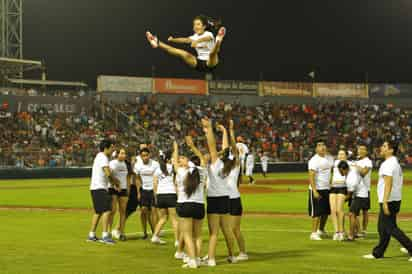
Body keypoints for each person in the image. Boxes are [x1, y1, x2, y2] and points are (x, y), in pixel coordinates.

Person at [363, 141, 412, 261]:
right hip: (394, 199)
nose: (381, 148)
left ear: (390, 150)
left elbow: (388, 183)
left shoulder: (388, 164)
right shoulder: (394, 162)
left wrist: (384, 202)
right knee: (382, 227)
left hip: (389, 200)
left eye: (384, 146)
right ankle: (378, 252)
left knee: (391, 228)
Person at [201, 118, 237, 266]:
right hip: (225, 198)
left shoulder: (216, 163)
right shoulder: (229, 165)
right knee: (227, 230)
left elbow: (211, 145)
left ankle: (211, 259)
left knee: (214, 232)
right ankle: (232, 256)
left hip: (214, 199)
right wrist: (224, 132)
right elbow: (226, 148)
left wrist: (209, 129)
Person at [146, 15, 226, 73]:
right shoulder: (194, 36)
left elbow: (206, 39)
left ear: (204, 26)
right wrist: (173, 39)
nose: (195, 26)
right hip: (199, 63)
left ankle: (219, 39)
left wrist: (197, 42)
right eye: (194, 24)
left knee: (212, 53)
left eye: (198, 24)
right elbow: (185, 40)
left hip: (212, 63)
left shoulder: (208, 34)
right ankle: (157, 42)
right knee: (182, 53)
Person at [173, 138, 207, 268]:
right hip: (199, 205)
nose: (181, 160)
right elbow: (202, 159)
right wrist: (193, 146)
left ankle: (192, 260)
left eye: (184, 158)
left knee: (187, 235)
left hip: (185, 205)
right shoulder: (201, 171)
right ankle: (197, 258)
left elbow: (175, 163)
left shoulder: (182, 172)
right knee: (198, 235)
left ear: (188, 162)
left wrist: (176, 148)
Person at [87, 139, 119, 244]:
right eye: (112, 147)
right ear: (106, 148)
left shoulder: (100, 156)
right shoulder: (103, 157)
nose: (113, 150)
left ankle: (91, 235)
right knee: (107, 210)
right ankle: (105, 235)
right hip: (99, 187)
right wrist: (115, 182)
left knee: (98, 211)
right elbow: (108, 173)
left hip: (95, 187)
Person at [226, 120, 248, 261]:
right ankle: (225, 254)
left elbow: (233, 146)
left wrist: (231, 131)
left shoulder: (236, 163)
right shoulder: (225, 164)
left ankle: (243, 253)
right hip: (224, 198)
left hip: (233, 198)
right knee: (222, 229)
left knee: (234, 229)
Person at [151, 150, 178, 245]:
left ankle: (155, 236)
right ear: (169, 159)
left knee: (163, 218)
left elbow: (155, 185)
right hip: (170, 194)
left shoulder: (157, 170)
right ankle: (177, 241)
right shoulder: (174, 168)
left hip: (160, 195)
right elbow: (176, 183)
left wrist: (156, 197)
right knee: (174, 219)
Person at [308, 140, 333, 241]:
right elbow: (311, 176)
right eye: (319, 145)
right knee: (317, 212)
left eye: (323, 145)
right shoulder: (314, 160)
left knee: (326, 211)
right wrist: (314, 190)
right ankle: (313, 233)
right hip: (317, 188)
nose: (322, 147)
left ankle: (321, 230)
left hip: (327, 188)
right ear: (316, 149)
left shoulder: (329, 158)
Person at [134, 148, 160, 239]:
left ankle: (155, 232)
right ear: (140, 156)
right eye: (143, 156)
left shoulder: (155, 164)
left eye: (146, 155)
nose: (145, 157)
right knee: (143, 211)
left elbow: (158, 178)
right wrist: (138, 192)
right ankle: (144, 233)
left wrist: (157, 191)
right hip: (144, 190)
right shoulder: (138, 165)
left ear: (150, 155)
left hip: (153, 190)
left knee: (154, 211)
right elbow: (137, 178)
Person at [107, 148, 130, 241]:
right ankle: (108, 232)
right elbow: (109, 175)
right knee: (112, 210)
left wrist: (128, 189)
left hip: (123, 189)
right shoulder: (113, 163)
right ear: (117, 154)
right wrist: (114, 185)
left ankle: (122, 232)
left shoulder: (127, 164)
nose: (124, 155)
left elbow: (128, 177)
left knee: (123, 211)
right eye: (122, 153)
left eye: (125, 153)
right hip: (113, 188)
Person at [353, 144, 373, 237]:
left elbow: (363, 173)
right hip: (355, 190)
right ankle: (358, 230)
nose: (360, 151)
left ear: (366, 151)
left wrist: (355, 166)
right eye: (359, 149)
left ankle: (364, 230)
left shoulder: (368, 162)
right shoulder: (356, 161)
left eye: (362, 149)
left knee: (365, 211)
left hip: (365, 189)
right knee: (355, 212)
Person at [330, 150, 348, 241]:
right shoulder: (335, 162)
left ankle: (342, 231)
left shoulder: (348, 164)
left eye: (342, 154)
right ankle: (336, 231)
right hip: (333, 187)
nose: (340, 155)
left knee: (339, 210)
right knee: (333, 210)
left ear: (346, 156)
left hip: (342, 187)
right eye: (339, 154)